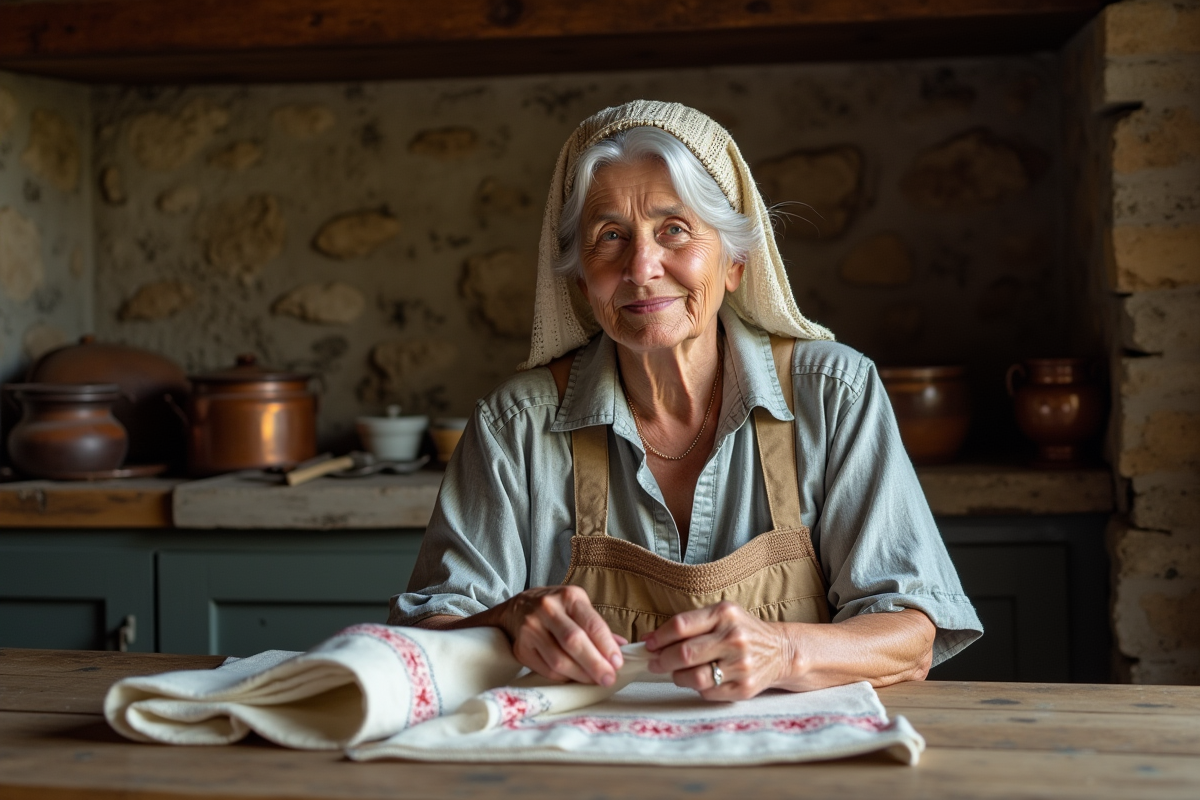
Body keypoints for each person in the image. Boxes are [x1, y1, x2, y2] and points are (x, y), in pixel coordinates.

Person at [389, 100, 982, 700]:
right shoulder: (516, 423)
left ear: (735, 262)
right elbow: (421, 637)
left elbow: (911, 633)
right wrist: (506, 619)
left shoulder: (833, 394)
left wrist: (784, 652)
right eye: (609, 237)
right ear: (579, 276)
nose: (642, 267)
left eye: (674, 230)